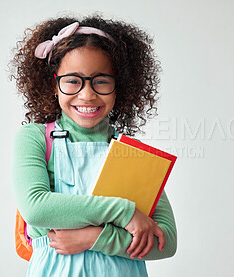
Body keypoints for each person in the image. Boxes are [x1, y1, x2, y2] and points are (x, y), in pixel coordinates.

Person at [10, 14, 177, 276]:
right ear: (53, 84)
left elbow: (165, 242)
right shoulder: (35, 138)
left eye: (101, 81)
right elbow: (36, 208)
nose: (87, 94)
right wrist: (125, 213)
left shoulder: (132, 152)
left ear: (118, 87)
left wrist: (95, 238)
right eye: (73, 81)